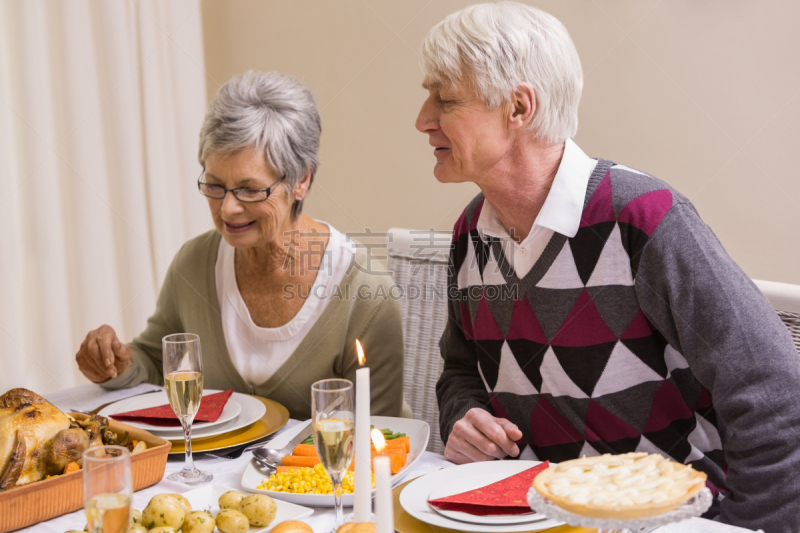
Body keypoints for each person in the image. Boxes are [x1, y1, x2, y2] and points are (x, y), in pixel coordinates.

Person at [415, 3, 800, 531]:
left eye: (445, 98)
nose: (423, 119)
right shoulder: (469, 234)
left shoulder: (643, 218)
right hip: (535, 517)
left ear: (518, 107)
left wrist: (745, 525)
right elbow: (461, 372)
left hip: (676, 518)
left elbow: (776, 395)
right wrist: (464, 416)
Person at [76, 71, 404, 419]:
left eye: (250, 189)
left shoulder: (364, 292)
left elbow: (380, 438)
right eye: (215, 186)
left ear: (301, 180)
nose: (228, 208)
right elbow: (157, 363)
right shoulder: (194, 263)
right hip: (215, 473)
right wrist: (116, 363)